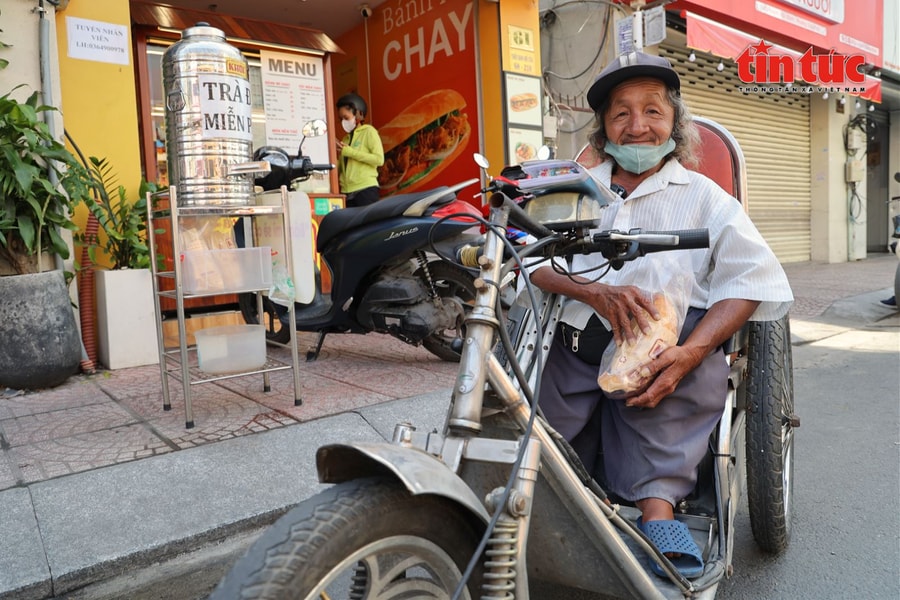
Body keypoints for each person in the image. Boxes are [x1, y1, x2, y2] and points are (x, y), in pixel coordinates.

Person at [528, 51, 794, 578]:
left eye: (653, 111)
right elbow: (527, 260)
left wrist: (693, 352)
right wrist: (594, 293)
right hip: (579, 340)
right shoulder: (573, 189)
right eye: (621, 112)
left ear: (675, 123)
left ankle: (658, 511)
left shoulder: (705, 198)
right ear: (603, 128)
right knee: (543, 433)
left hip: (667, 346)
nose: (638, 125)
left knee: (673, 387)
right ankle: (558, 496)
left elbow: (754, 280)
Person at [335, 93, 384, 207]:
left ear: (358, 114)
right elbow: (342, 168)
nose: (343, 122)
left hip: (365, 189)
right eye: (341, 119)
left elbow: (379, 159)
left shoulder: (369, 132)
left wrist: (350, 152)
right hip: (347, 191)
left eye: (346, 117)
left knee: (369, 225)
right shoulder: (345, 139)